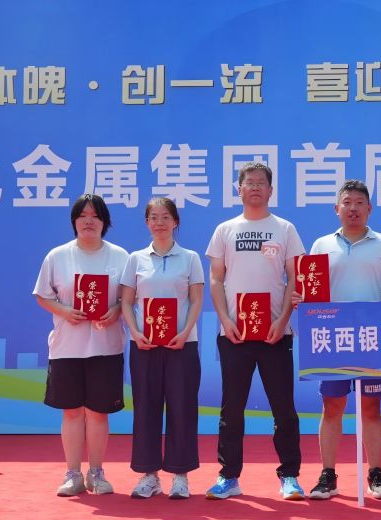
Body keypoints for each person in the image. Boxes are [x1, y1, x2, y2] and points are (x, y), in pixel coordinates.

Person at [294, 180, 381, 500]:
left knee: (371, 407)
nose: (353, 208)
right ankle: (328, 475)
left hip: (370, 339)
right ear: (337, 209)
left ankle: (375, 474)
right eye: (347, 202)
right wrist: (304, 302)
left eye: (359, 203)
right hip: (333, 339)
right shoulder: (321, 245)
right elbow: (312, 289)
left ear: (369, 208)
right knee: (332, 406)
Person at [204, 162, 306, 500]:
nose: (255, 188)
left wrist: (282, 319)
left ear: (271, 190)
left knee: (283, 408)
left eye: (262, 183)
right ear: (239, 189)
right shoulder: (225, 229)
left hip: (275, 334)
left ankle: (289, 476)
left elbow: (295, 277)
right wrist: (225, 319)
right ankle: (228, 476)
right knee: (231, 409)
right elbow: (216, 278)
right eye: (249, 182)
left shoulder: (285, 229)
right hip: (234, 334)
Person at [33, 194, 129, 496]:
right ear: (74, 221)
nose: (89, 221)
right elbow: (42, 295)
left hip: (106, 346)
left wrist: (116, 311)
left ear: (105, 222)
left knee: (99, 413)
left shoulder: (120, 257)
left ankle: (96, 473)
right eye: (82, 216)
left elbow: (129, 298)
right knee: (72, 412)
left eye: (95, 216)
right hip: (67, 347)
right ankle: (72, 474)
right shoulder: (58, 256)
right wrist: (64, 311)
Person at [120, 198, 204, 499]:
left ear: (175, 222)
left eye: (165, 217)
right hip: (144, 345)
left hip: (182, 344)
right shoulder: (136, 259)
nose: (159, 223)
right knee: (146, 408)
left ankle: (181, 475)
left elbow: (196, 300)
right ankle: (149, 475)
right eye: (153, 217)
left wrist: (184, 332)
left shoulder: (190, 258)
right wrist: (135, 332)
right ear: (147, 223)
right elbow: (126, 302)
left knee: (182, 407)